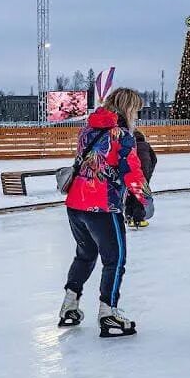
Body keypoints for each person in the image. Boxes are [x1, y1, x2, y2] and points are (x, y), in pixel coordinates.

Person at [57, 88, 153, 337]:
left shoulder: (88, 128)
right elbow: (132, 171)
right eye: (136, 111)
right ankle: (108, 313)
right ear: (128, 108)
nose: (137, 117)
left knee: (85, 255)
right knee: (115, 259)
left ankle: (69, 305)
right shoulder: (122, 135)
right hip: (103, 205)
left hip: (76, 203)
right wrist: (145, 200)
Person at [124, 129, 158, 229]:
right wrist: (148, 173)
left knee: (130, 194)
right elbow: (154, 159)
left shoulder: (130, 146)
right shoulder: (146, 146)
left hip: (131, 173)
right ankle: (139, 219)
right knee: (139, 196)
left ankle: (129, 215)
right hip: (143, 175)